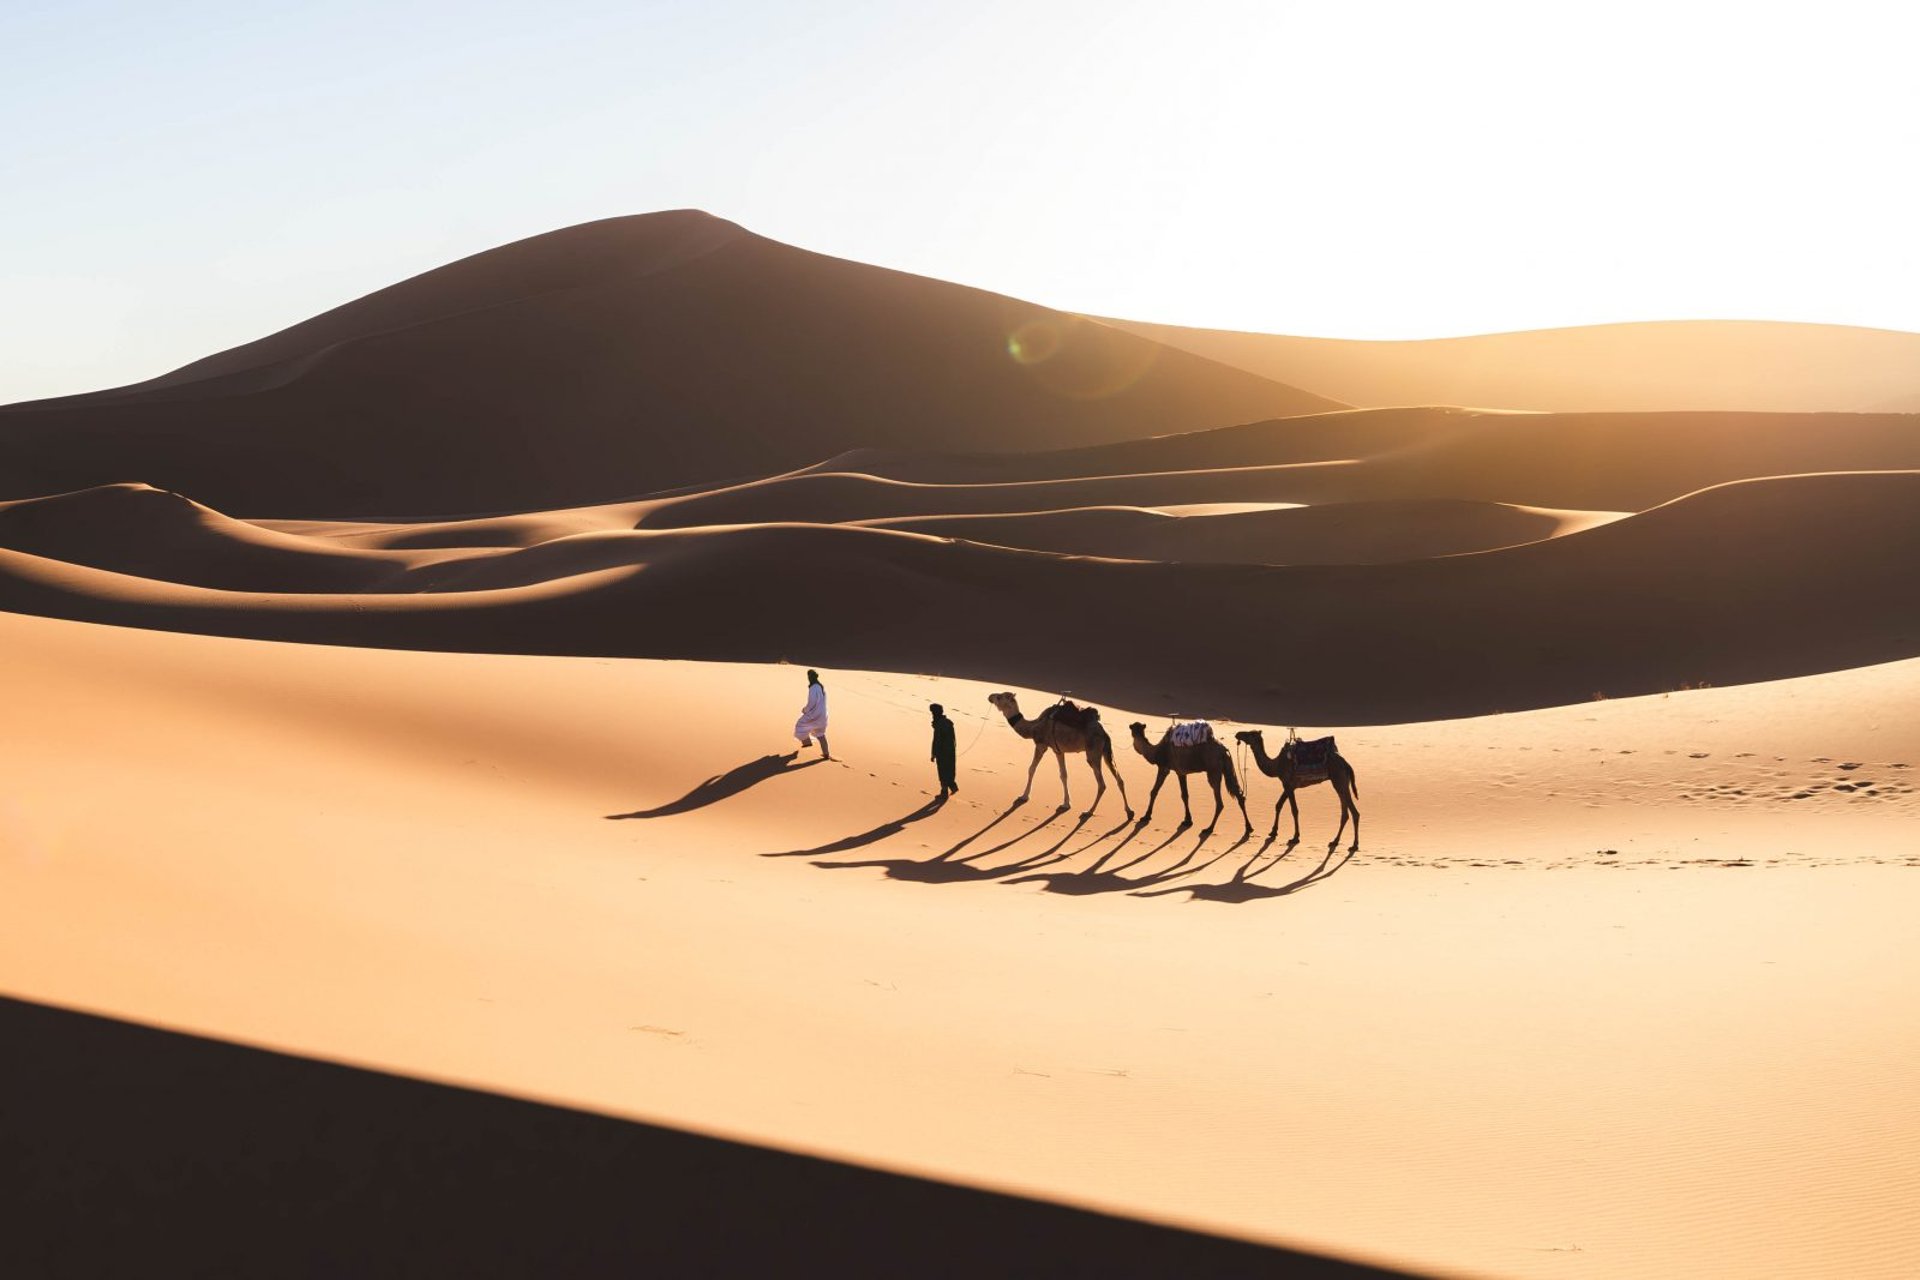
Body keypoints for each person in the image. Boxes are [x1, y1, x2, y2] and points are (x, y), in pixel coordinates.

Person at [793, 669, 830, 759]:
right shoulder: (820, 686)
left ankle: (807, 742)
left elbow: (812, 702)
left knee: (800, 726)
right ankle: (826, 753)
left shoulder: (814, 687)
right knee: (820, 733)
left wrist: (805, 710)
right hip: (822, 714)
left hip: (814, 714)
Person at [929, 703, 958, 799]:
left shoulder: (939, 724)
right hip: (951, 750)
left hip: (942, 752)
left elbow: (937, 740)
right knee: (950, 769)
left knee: (942, 771)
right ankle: (953, 786)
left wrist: (933, 754)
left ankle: (944, 792)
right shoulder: (948, 722)